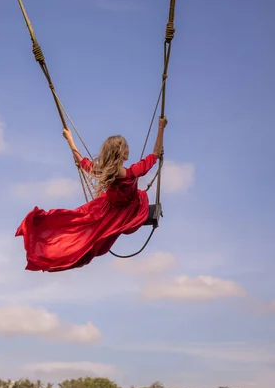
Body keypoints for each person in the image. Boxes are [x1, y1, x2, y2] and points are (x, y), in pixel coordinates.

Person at [15, 116, 168, 272]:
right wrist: (161, 127)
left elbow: (82, 161)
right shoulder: (133, 172)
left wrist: (70, 139)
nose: (129, 149)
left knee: (80, 228)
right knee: (90, 239)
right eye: (127, 147)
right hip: (128, 210)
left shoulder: (102, 172)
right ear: (122, 153)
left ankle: (52, 247)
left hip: (108, 209)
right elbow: (155, 153)